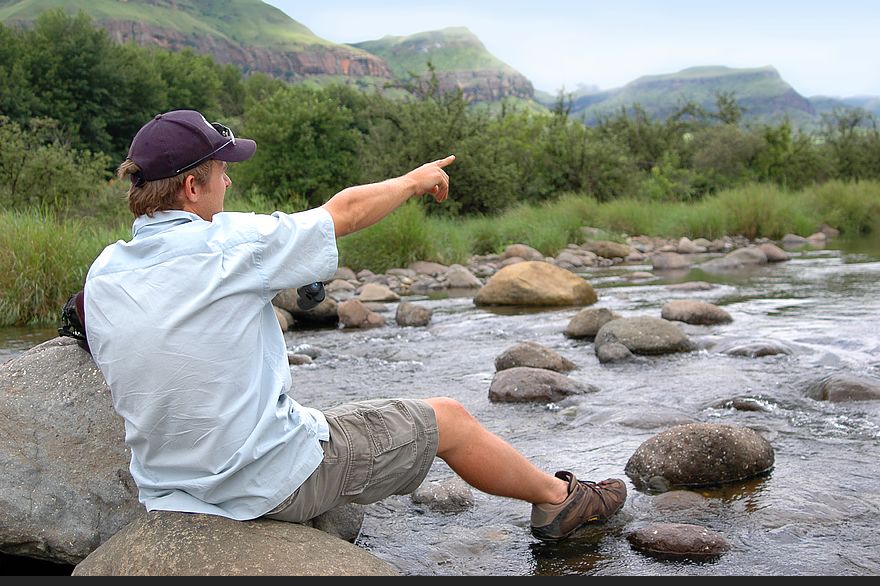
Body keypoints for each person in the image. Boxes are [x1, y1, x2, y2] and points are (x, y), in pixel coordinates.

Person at [85, 109, 626, 543]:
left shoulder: (105, 271)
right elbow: (342, 213)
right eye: (222, 171)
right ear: (191, 188)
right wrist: (416, 180)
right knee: (452, 419)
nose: (229, 178)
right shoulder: (229, 242)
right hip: (259, 484)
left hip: (169, 490)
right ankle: (564, 500)